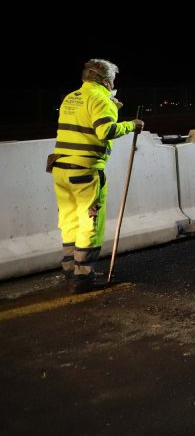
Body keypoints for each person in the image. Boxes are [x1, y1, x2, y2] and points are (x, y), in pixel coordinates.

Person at [51, 59, 143, 291]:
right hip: (85, 171)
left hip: (61, 170)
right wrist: (131, 125)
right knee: (89, 223)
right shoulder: (101, 99)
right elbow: (105, 131)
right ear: (105, 79)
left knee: (70, 220)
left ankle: (70, 269)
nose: (114, 83)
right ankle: (83, 276)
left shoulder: (71, 97)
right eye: (112, 79)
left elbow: (84, 121)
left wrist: (111, 107)